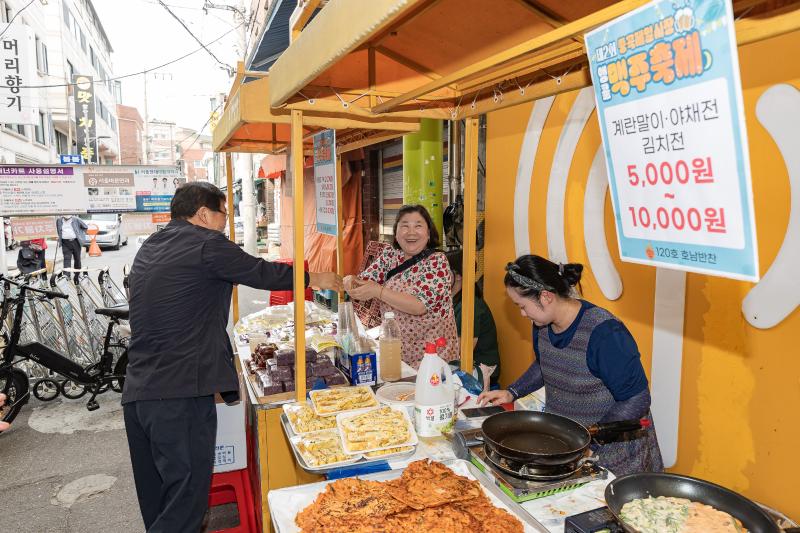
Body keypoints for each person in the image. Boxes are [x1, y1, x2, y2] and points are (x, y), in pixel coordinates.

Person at [123, 182, 342, 532]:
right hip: (179, 394)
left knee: (160, 501)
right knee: (184, 505)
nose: (226, 220)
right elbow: (260, 271)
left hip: (139, 392)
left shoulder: (152, 245)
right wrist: (315, 276)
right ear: (203, 213)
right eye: (224, 212)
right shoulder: (206, 243)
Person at [478, 255, 663, 476]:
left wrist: (590, 437)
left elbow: (637, 398)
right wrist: (512, 392)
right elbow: (545, 364)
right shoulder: (542, 324)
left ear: (546, 296)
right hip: (569, 448)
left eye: (522, 306)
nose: (522, 313)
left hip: (616, 456)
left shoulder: (604, 333)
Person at [345, 204, 458, 368]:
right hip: (397, 352)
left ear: (428, 234)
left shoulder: (437, 262)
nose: (411, 232)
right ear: (396, 234)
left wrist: (379, 291)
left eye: (418, 226)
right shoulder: (391, 255)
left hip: (432, 357)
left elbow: (419, 305)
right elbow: (364, 282)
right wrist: (351, 281)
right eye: (404, 226)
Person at [445, 250, 500, 391]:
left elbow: (460, 351)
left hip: (480, 372)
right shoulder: (452, 300)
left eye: (441, 271)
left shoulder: (470, 306)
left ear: (457, 276)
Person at [56, 214, 88, 279]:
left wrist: (81, 235)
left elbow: (85, 227)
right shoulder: (59, 220)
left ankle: (77, 274)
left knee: (77, 258)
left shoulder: (76, 219)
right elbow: (58, 229)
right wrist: (59, 237)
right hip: (65, 242)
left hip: (75, 241)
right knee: (66, 258)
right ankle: (66, 275)